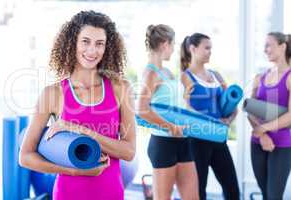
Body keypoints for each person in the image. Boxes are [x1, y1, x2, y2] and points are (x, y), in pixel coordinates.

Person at [19, 10, 136, 200]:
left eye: (100, 44)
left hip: (110, 192)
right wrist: (76, 171)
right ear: (72, 43)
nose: (92, 50)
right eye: (85, 41)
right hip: (68, 193)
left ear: (108, 48)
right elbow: (25, 157)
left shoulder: (120, 88)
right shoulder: (53, 94)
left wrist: (78, 129)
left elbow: (129, 152)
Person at [137, 24, 199, 200]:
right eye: (173, 45)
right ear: (165, 44)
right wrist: (170, 126)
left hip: (183, 141)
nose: (173, 50)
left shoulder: (167, 72)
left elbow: (171, 104)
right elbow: (141, 109)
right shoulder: (151, 73)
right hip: (163, 143)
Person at [180, 33, 240, 200]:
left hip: (219, 139)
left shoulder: (217, 75)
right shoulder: (185, 77)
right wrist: (213, 121)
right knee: (199, 191)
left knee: (232, 189)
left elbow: (231, 104)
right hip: (197, 141)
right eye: (206, 48)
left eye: (210, 48)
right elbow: (186, 109)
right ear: (192, 49)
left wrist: (229, 119)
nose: (209, 52)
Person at [248, 32, 291, 200]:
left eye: (269, 45)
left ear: (283, 46)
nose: (265, 50)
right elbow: (250, 108)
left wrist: (262, 128)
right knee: (265, 193)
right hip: (258, 142)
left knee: (274, 196)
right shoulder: (260, 77)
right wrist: (263, 135)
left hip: (281, 144)